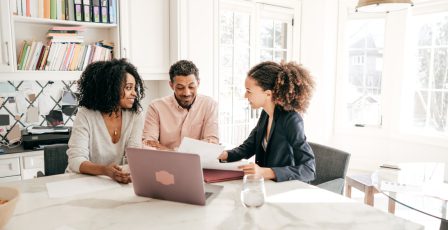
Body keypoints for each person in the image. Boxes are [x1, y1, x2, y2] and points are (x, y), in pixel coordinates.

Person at [218, 61, 316, 182]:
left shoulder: (291, 120)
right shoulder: (266, 114)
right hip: (267, 186)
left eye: (249, 91)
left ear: (268, 94)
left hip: (286, 188)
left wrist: (266, 172)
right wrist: (224, 155)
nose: (245, 96)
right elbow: (249, 147)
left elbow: (309, 169)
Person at [67, 59, 145, 184]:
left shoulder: (136, 115)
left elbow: (134, 154)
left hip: (114, 182)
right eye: (129, 88)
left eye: (134, 88)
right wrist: (105, 170)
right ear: (111, 88)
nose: (134, 93)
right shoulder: (85, 114)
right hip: (82, 182)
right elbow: (76, 160)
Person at [142, 60, 219, 150]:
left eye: (191, 87)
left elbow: (212, 143)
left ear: (198, 83)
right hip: (164, 163)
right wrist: (197, 147)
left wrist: (170, 150)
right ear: (171, 85)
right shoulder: (156, 107)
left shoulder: (210, 105)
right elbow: (148, 144)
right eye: (180, 88)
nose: (186, 93)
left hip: (197, 163)